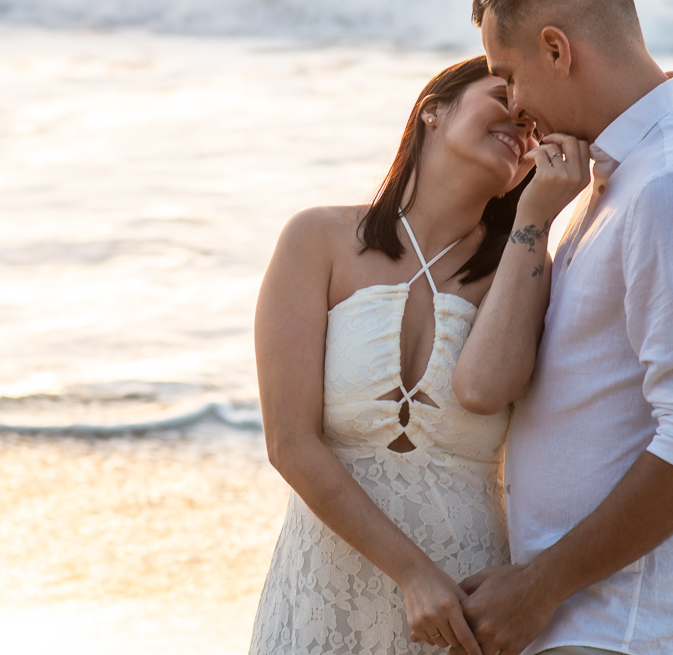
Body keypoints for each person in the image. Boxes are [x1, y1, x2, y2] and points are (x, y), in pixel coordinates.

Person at [443, 0, 673, 655]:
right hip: (608, 626)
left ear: (557, 49)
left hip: (634, 628)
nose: (517, 105)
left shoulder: (672, 184)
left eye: (510, 74)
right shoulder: (622, 178)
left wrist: (541, 585)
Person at [248, 56, 590, 655]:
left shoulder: (526, 269)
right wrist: (411, 573)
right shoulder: (316, 239)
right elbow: (290, 443)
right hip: (321, 595)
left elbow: (491, 385)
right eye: (501, 93)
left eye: (535, 126)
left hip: (461, 606)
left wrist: (534, 216)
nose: (521, 119)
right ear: (433, 108)